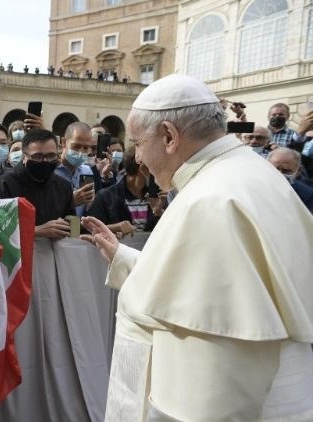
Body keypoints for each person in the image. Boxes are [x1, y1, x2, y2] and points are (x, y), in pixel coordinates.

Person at [82, 74, 313, 421]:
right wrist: (124, 257)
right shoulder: (249, 172)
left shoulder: (210, 200)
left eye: (138, 143)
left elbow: (214, 381)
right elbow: (198, 279)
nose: (139, 158)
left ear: (169, 136)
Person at [0, 129, 74, 239]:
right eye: (38, 157)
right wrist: (36, 231)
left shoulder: (63, 186)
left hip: (54, 253)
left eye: (51, 156)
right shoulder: (5, 184)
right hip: (17, 254)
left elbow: (70, 224)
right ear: (24, 157)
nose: (45, 161)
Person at [86, 146, 165, 235]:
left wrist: (158, 213)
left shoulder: (157, 198)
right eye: (157, 167)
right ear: (143, 168)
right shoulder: (106, 196)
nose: (160, 172)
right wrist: (114, 228)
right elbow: (89, 229)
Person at [55, 122, 97, 216]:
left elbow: (88, 207)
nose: (80, 152)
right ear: (64, 142)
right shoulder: (52, 171)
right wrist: (71, 201)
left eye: (85, 148)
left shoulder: (86, 171)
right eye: (76, 146)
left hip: (79, 228)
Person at [267, 147, 313, 212]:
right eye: (274, 169)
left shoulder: (307, 195)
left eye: (286, 171)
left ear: (298, 171)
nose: (279, 174)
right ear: (265, 166)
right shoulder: (253, 187)